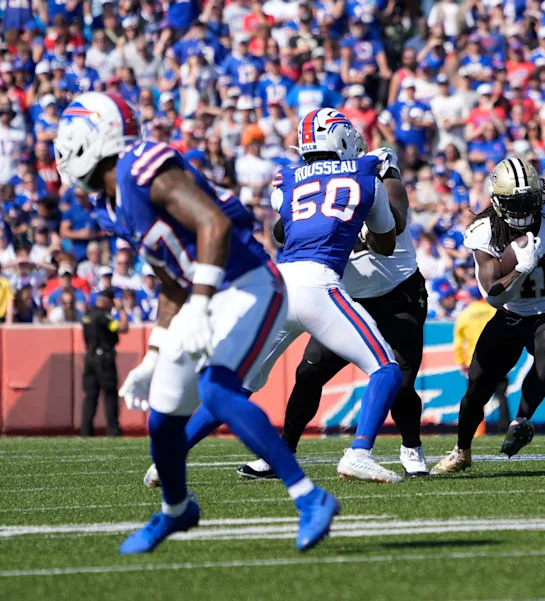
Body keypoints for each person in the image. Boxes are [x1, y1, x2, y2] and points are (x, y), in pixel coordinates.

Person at [54, 92, 339, 554]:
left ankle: (309, 497)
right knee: (163, 420)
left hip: (250, 285)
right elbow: (170, 282)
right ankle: (176, 510)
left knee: (215, 389)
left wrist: (202, 303)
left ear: (91, 138)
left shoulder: (140, 167)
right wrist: (152, 354)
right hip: (206, 293)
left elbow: (214, 224)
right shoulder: (111, 206)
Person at [160, 109, 404, 484]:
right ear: (338, 140)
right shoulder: (367, 173)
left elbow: (283, 227)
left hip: (277, 287)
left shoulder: (285, 180)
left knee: (236, 382)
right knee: (386, 367)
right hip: (318, 284)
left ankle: (170, 453)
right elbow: (386, 242)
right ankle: (359, 452)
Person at [237, 138, 431, 480]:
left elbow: (396, 222)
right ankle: (283, 452)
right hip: (345, 295)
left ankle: (411, 446)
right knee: (309, 372)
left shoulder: (376, 170)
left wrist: (358, 221)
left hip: (396, 292)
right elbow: (281, 231)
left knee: (399, 379)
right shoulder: (313, 182)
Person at [431, 157, 545, 474]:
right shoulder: (484, 231)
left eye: (528, 201)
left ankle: (521, 420)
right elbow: (491, 294)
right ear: (498, 202)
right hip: (509, 314)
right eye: (516, 202)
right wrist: (519, 271)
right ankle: (462, 451)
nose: (524, 209)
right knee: (477, 389)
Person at [453, 286, 510, 432]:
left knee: (475, 396)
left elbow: (458, 343)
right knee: (501, 395)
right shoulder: (493, 311)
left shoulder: (465, 314)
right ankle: (505, 427)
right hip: (498, 356)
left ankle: (478, 429)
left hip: (476, 359)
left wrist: (461, 362)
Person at [80, 286, 127, 436]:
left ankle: (86, 431)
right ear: (107, 300)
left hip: (89, 357)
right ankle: (113, 431)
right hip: (104, 359)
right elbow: (123, 328)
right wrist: (122, 311)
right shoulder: (103, 316)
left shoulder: (88, 314)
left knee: (90, 395)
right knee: (110, 394)